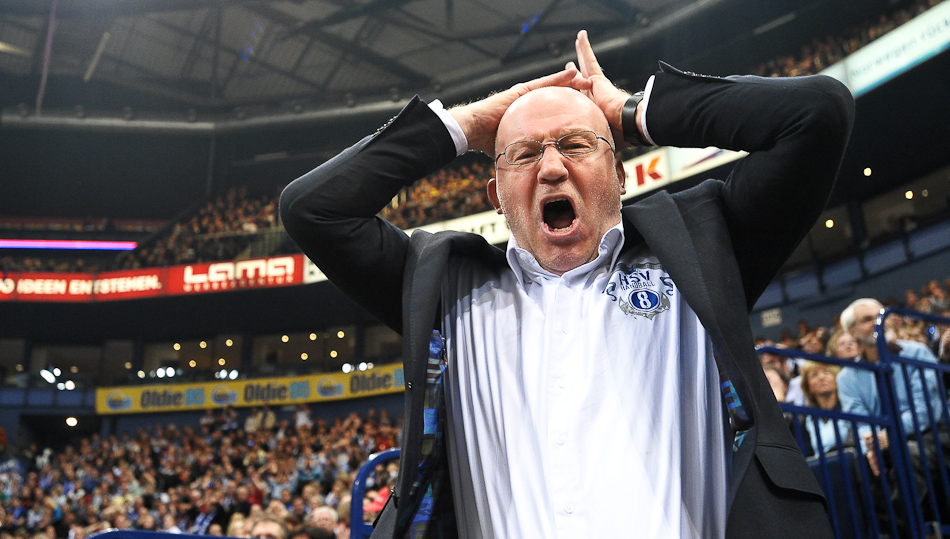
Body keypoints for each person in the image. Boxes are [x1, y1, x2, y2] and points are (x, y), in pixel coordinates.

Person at [280, 29, 853, 539]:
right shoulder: (443, 287)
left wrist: (631, 112)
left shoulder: (703, 244)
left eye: (577, 145)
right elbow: (313, 209)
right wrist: (465, 125)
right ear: (496, 196)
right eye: (524, 154)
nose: (552, 167)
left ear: (619, 173)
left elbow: (817, 114)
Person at [835, 297, 949, 522]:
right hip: (884, 442)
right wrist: (871, 444)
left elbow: (926, 410)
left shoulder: (916, 353)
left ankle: (911, 529)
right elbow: (859, 421)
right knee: (854, 463)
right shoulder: (846, 377)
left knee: (906, 453)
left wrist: (890, 434)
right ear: (852, 331)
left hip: (933, 435)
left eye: (881, 315)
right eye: (867, 319)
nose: (879, 322)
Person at [799, 361, 852, 456]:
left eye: (826, 372)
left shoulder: (849, 408)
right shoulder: (807, 420)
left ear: (837, 379)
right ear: (809, 387)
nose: (821, 377)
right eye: (814, 375)